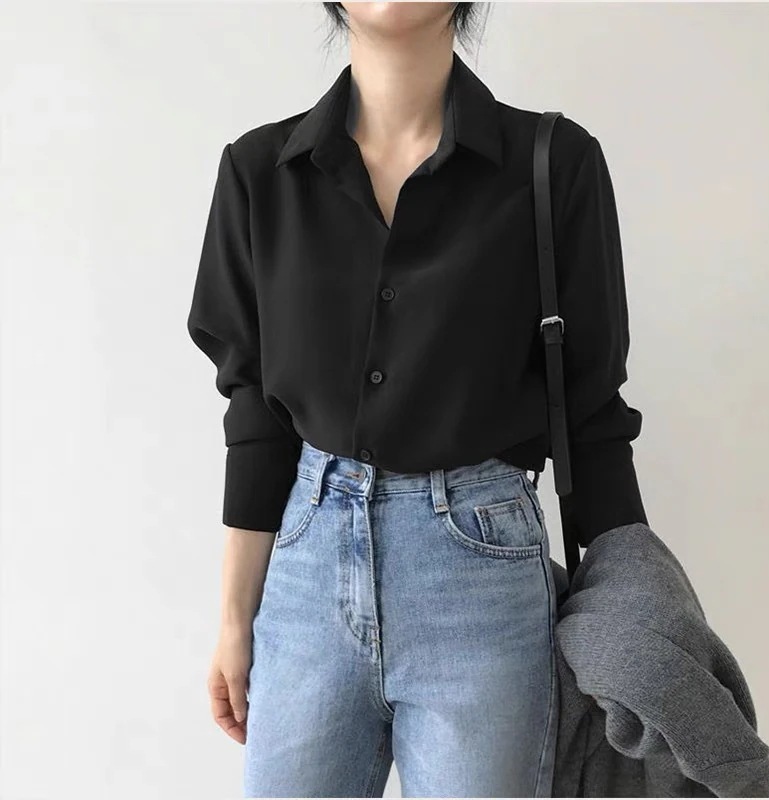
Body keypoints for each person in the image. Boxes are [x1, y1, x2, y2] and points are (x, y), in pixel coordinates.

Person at [186, 2, 649, 796]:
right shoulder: (259, 172)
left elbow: (592, 414)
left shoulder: (552, 164)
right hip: (304, 577)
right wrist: (234, 617)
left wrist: (636, 619)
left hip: (482, 580)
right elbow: (256, 413)